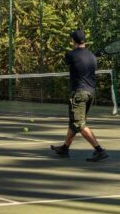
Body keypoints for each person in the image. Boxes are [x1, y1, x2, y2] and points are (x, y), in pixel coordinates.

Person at [50, 29, 108, 162]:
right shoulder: (92, 56)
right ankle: (65, 148)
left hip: (79, 94)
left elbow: (68, 61)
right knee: (73, 123)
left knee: (79, 123)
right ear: (84, 41)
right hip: (90, 93)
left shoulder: (71, 55)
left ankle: (99, 150)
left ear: (73, 41)